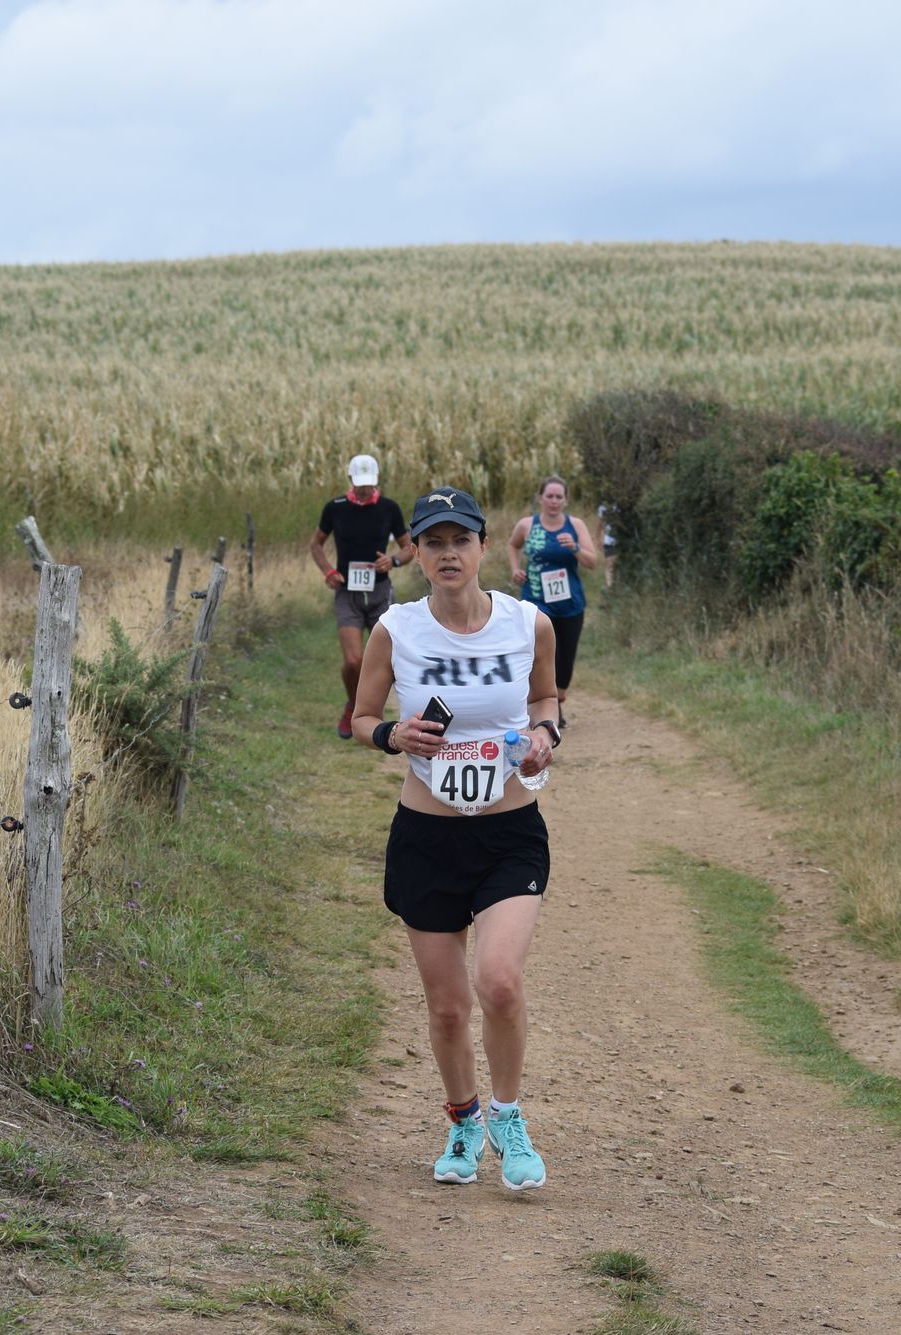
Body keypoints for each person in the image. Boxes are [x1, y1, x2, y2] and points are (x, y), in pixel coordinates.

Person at [351, 486, 562, 1192]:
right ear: (414, 552)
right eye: (433, 542)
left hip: (509, 832)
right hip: (426, 838)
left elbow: (546, 699)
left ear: (482, 546)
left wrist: (543, 735)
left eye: (460, 540)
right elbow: (361, 716)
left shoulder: (527, 622)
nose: (448, 554)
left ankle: (508, 1116)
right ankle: (464, 1121)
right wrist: (393, 735)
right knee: (447, 1007)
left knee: (499, 980)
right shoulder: (396, 629)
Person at [310, 454, 413, 738]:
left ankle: (388, 712)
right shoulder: (335, 508)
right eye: (359, 484)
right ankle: (353, 706)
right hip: (347, 593)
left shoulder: (389, 508)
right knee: (354, 661)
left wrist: (392, 561)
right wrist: (328, 571)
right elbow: (316, 544)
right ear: (350, 479)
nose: (364, 489)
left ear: (376, 481)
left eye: (369, 484)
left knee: (391, 659)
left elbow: (409, 548)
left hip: (380, 593)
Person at [509, 476, 598, 731]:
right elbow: (513, 545)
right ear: (541, 498)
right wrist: (515, 569)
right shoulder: (527, 524)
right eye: (549, 496)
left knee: (565, 659)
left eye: (559, 497)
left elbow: (592, 562)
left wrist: (575, 547)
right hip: (536, 600)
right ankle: (543, 708)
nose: (554, 501)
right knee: (540, 655)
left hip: (570, 603)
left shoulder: (575, 525)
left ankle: (557, 699)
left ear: (565, 500)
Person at [595, 499, 619, 589]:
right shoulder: (603, 506)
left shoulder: (625, 504)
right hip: (609, 540)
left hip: (624, 539)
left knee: (617, 564)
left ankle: (618, 586)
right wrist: (598, 539)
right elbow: (600, 524)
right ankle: (610, 588)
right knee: (610, 564)